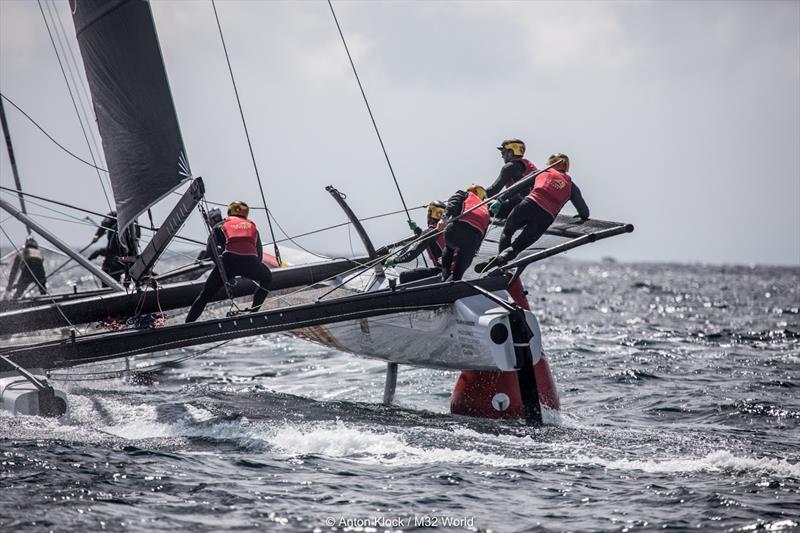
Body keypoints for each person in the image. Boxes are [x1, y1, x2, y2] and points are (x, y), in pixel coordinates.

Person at [477, 153, 589, 272]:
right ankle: (502, 260)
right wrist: (581, 216)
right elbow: (584, 212)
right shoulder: (571, 186)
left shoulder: (542, 172)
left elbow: (517, 187)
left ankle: (501, 263)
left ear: (551, 163)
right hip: (546, 217)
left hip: (528, 205)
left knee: (507, 232)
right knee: (516, 247)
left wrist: (500, 200)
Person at [185, 200, 273, 322]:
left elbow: (211, 250)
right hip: (251, 262)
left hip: (228, 262)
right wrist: (253, 269)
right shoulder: (252, 227)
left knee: (204, 296)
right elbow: (259, 253)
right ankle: (254, 312)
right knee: (267, 278)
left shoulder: (221, 226)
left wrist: (222, 270)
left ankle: (188, 323)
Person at [384, 201, 446, 283]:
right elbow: (428, 239)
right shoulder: (448, 229)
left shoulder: (431, 231)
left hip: (441, 273)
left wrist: (395, 260)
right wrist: (417, 229)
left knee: (404, 276)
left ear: (430, 214)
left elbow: (412, 254)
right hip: (453, 272)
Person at [440, 185, 491, 281]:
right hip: (472, 238)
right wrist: (475, 250)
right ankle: (451, 278)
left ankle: (445, 276)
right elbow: (484, 232)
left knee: (449, 248)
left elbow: (452, 203)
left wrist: (444, 218)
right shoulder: (486, 208)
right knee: (459, 270)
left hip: (456, 231)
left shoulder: (465, 195)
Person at [485, 139, 538, 219]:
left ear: (511, 152)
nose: (502, 156)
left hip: (520, 205)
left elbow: (494, 190)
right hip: (534, 205)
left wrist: (475, 195)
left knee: (482, 208)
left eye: (503, 152)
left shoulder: (510, 166)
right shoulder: (527, 165)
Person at [88, 211, 141, 283]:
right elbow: (105, 224)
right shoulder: (113, 215)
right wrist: (97, 236)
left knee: (112, 272)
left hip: (121, 257)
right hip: (119, 257)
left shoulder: (133, 221)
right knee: (111, 274)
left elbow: (136, 240)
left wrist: (97, 237)